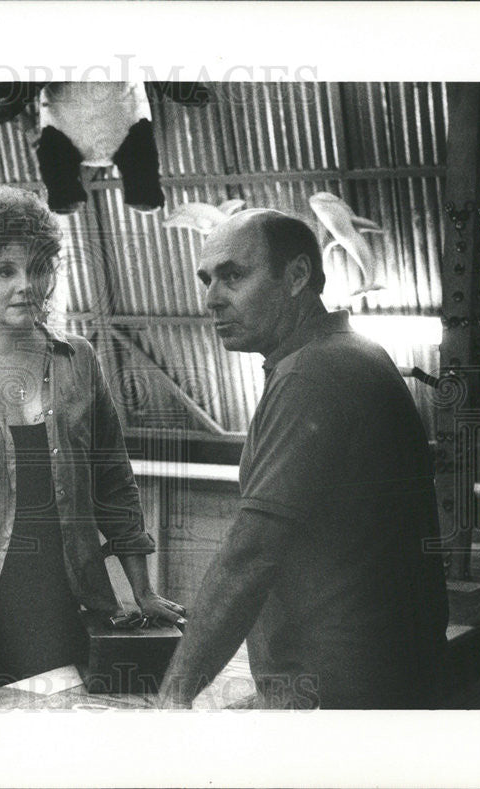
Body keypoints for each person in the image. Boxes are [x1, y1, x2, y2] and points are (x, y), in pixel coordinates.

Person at [158, 209, 448, 709]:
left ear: (295, 276)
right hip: (384, 678)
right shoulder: (353, 351)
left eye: (233, 275)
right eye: (207, 280)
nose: (211, 299)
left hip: (341, 695)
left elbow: (250, 554)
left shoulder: (311, 375)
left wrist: (174, 695)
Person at [0, 186, 185, 699]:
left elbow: (114, 484)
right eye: (4, 271)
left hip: (76, 608)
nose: (25, 285)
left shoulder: (78, 360)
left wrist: (140, 590)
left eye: (38, 268)